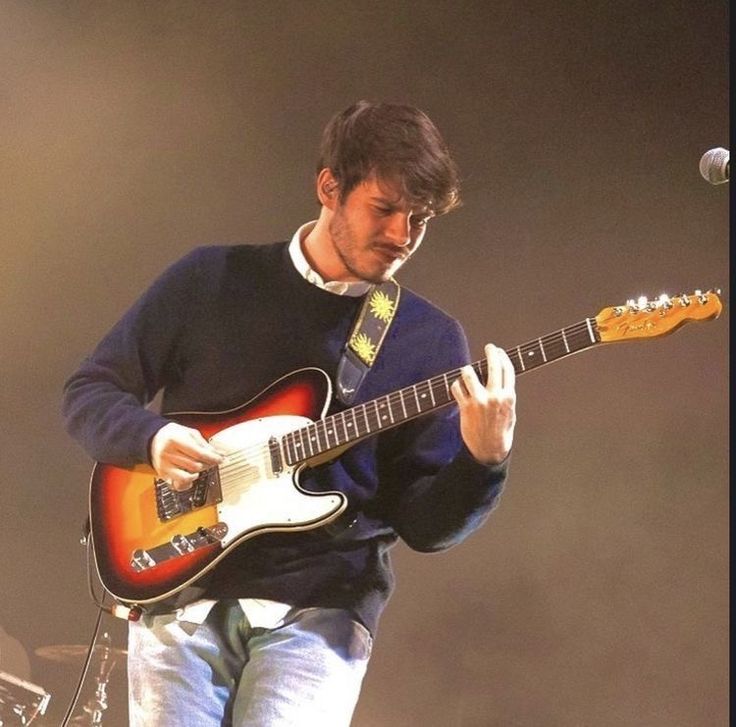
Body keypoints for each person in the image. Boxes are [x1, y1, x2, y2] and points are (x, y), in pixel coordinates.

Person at [62, 100, 517, 727]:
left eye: (420, 219)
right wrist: (152, 437)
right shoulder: (209, 280)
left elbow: (427, 527)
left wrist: (483, 461)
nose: (401, 236)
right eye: (384, 209)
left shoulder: (428, 340)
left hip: (323, 610)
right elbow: (90, 390)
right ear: (330, 187)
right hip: (182, 590)